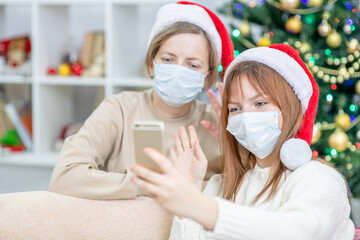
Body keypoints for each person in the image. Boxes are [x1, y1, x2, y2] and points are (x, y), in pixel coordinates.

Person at [131, 44, 355, 239]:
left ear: (292, 109)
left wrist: (205, 210)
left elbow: (298, 233)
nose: (246, 117)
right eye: (235, 109)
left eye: (259, 104)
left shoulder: (318, 179)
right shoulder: (222, 185)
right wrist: (189, 191)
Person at [49, 1, 235, 200]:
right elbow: (64, 177)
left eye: (192, 65)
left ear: (207, 77)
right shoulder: (119, 109)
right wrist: (148, 184)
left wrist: (233, 145)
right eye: (168, 60)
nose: (178, 71)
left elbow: (249, 190)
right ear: (151, 65)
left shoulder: (219, 125)